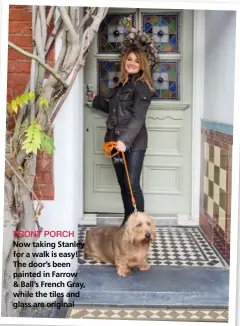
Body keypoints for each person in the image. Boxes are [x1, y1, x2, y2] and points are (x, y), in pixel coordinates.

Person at [87, 31, 158, 226]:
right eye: (129, 59)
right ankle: (129, 220)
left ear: (142, 64)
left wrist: (124, 141)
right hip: (114, 142)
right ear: (124, 62)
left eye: (136, 60)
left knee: (132, 184)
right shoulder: (121, 86)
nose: (132, 63)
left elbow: (138, 118)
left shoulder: (143, 87)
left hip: (132, 144)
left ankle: (142, 227)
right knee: (123, 184)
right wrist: (94, 100)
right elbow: (112, 108)